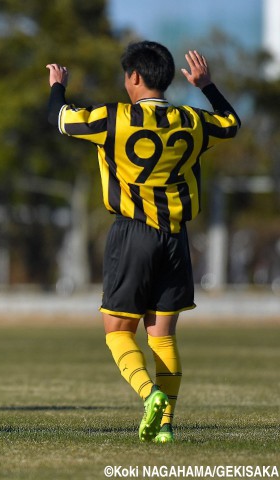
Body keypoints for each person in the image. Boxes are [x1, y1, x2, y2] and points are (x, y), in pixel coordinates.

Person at [46, 42, 240, 443]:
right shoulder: (191, 120)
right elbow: (231, 122)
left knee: (118, 331)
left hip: (132, 233)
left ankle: (149, 395)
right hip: (175, 237)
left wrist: (57, 86)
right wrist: (206, 86)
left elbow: (58, 118)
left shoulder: (113, 118)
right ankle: (165, 426)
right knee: (163, 336)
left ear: (134, 77)